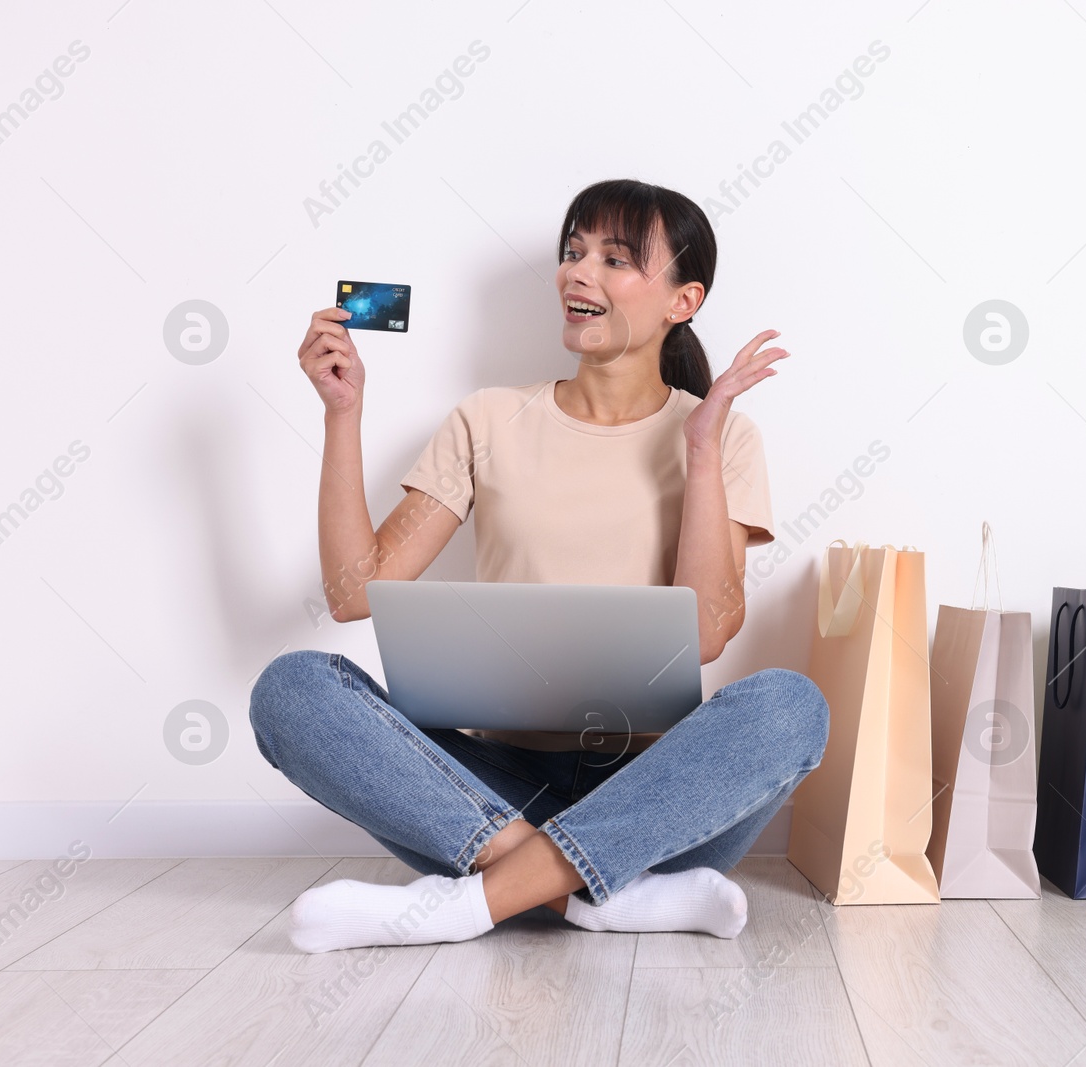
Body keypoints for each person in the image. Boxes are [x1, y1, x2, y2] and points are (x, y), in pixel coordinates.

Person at [248, 178, 830, 954]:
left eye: (615, 259)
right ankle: (599, 894)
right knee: (292, 690)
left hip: (655, 797)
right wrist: (343, 415)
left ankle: (469, 904)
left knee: (792, 706)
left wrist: (699, 450)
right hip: (486, 793)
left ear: (681, 300)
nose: (578, 272)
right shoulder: (487, 419)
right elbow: (355, 592)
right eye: (573, 251)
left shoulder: (721, 437)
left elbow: (709, 630)